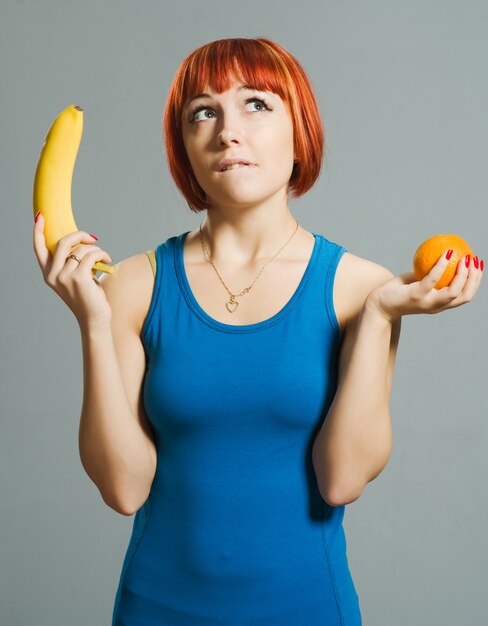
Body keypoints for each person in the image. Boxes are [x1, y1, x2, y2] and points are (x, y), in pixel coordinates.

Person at [33, 37, 483, 626]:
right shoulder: (131, 286)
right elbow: (123, 490)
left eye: (257, 105)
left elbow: (342, 478)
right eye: (203, 111)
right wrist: (93, 322)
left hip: (310, 611)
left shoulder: (359, 288)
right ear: (184, 147)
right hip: (157, 609)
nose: (227, 131)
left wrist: (379, 318)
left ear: (301, 135)